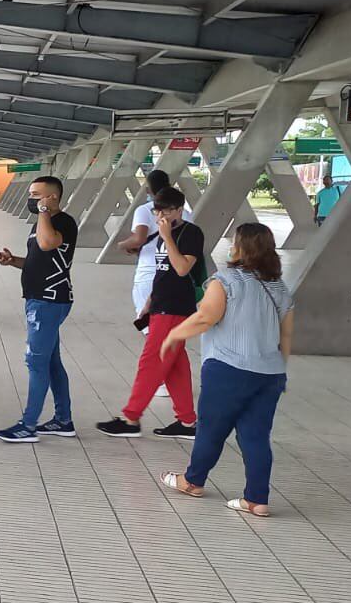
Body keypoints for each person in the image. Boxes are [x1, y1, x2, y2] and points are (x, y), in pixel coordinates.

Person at [158, 223, 293, 518]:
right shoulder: (280, 287)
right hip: (269, 373)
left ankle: (192, 481)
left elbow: (205, 318)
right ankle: (256, 499)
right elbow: (286, 336)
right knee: (256, 436)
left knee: (212, 429)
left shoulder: (227, 281)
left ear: (241, 247)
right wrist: (279, 371)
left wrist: (173, 335)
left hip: (229, 369)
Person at [98, 188, 204, 438]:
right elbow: (162, 271)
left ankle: (131, 418)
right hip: (160, 304)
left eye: (168, 210)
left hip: (176, 308)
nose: (162, 216)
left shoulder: (190, 233)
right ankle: (187, 422)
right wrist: (149, 301)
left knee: (152, 362)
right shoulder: (159, 236)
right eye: (158, 211)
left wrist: (167, 237)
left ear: (180, 210)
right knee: (176, 365)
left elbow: (181, 269)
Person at [0, 176, 79, 443]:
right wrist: (13, 261)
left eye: (37, 194)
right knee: (51, 362)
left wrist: (43, 212)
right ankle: (64, 420)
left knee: (36, 362)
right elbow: (39, 259)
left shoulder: (62, 221)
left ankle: (28, 425)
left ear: (53, 197)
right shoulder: (42, 223)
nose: (32, 199)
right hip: (39, 299)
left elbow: (47, 244)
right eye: (31, 194)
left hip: (49, 301)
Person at [117, 170, 191, 317]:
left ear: (148, 190)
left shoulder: (144, 210)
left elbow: (139, 238)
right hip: (176, 278)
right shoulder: (185, 214)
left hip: (149, 273)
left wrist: (122, 245)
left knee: (148, 324)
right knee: (170, 326)